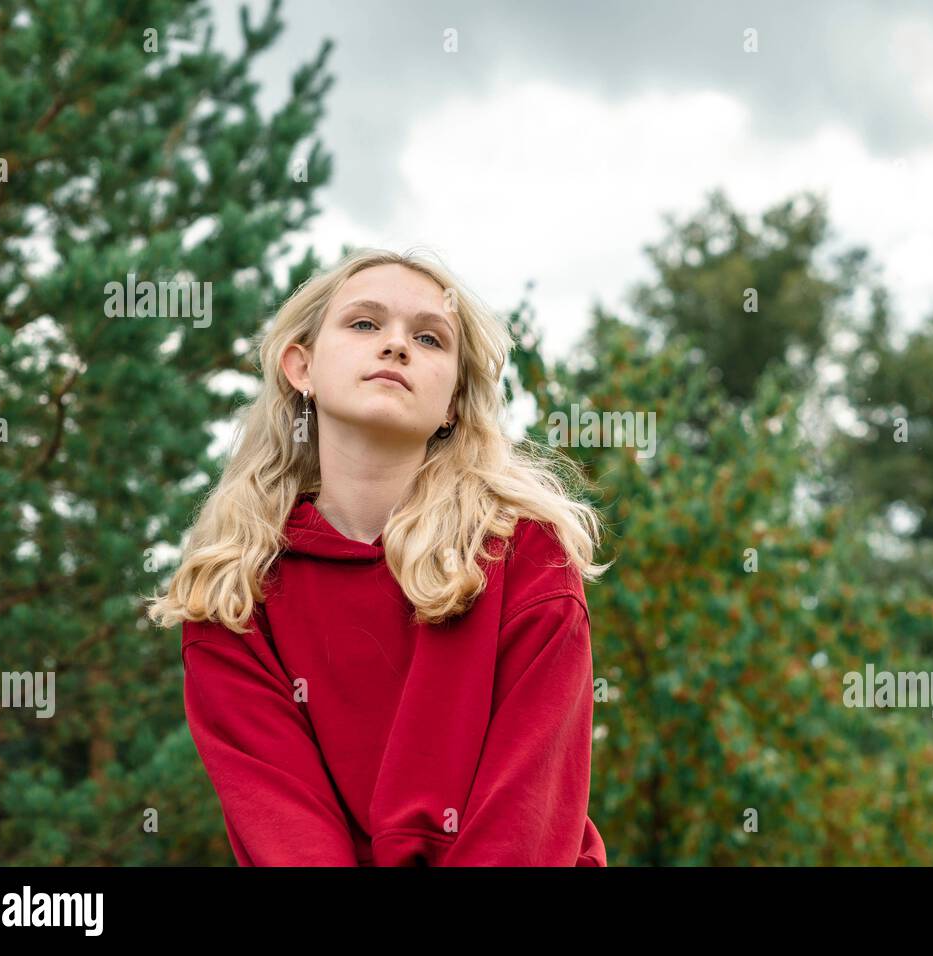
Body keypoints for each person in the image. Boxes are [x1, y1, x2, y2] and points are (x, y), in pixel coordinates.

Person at [145, 247, 612, 866]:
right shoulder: (231, 591)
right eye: (365, 324)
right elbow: (287, 832)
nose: (396, 345)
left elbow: (524, 819)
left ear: (452, 402)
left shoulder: (525, 556)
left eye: (429, 337)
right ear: (300, 366)